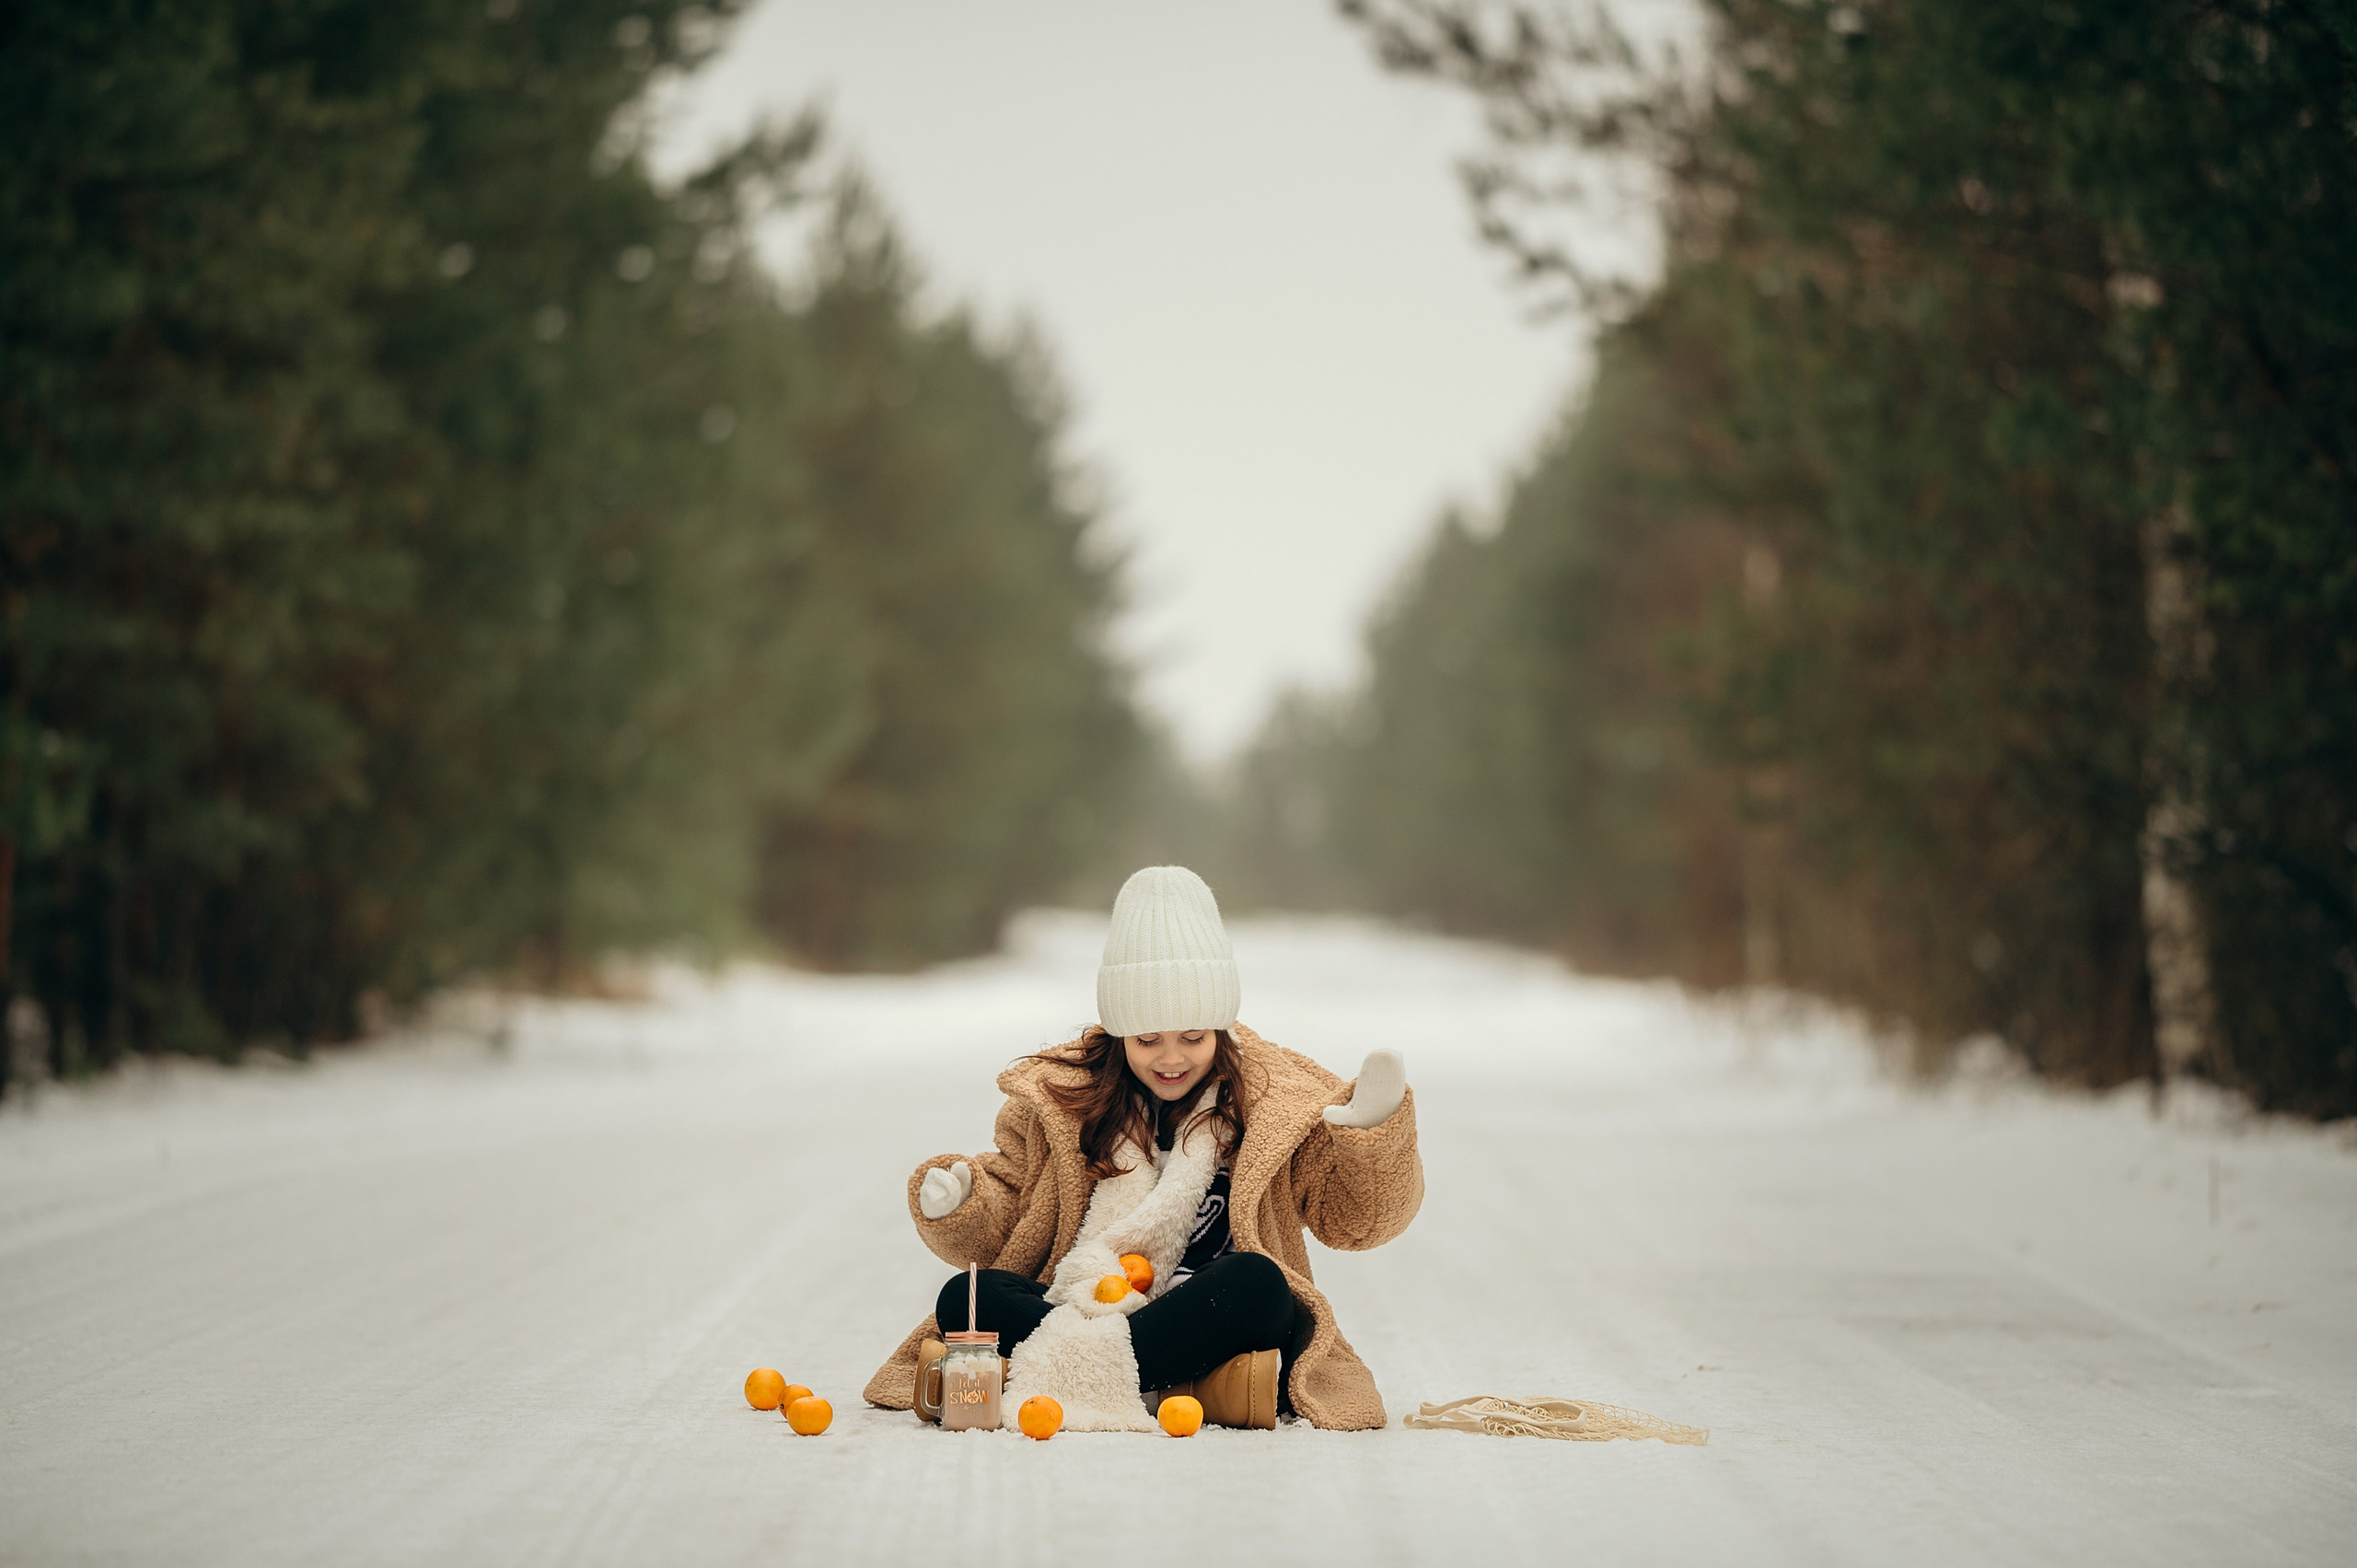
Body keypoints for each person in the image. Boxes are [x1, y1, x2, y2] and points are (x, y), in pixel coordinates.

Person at [861, 865, 1423, 1432]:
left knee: (1262, 1286)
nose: (1171, 1059)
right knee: (970, 1295)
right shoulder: (1062, 1102)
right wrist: (962, 1205)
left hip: (1207, 1313)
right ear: (1119, 1032)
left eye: (1193, 1037)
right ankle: (1187, 1385)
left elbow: (1357, 1224)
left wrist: (1370, 1140)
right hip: (1086, 1305)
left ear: (1221, 1028)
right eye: (1148, 1040)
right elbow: (1013, 1226)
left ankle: (1043, 1376)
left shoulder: (1276, 1105)